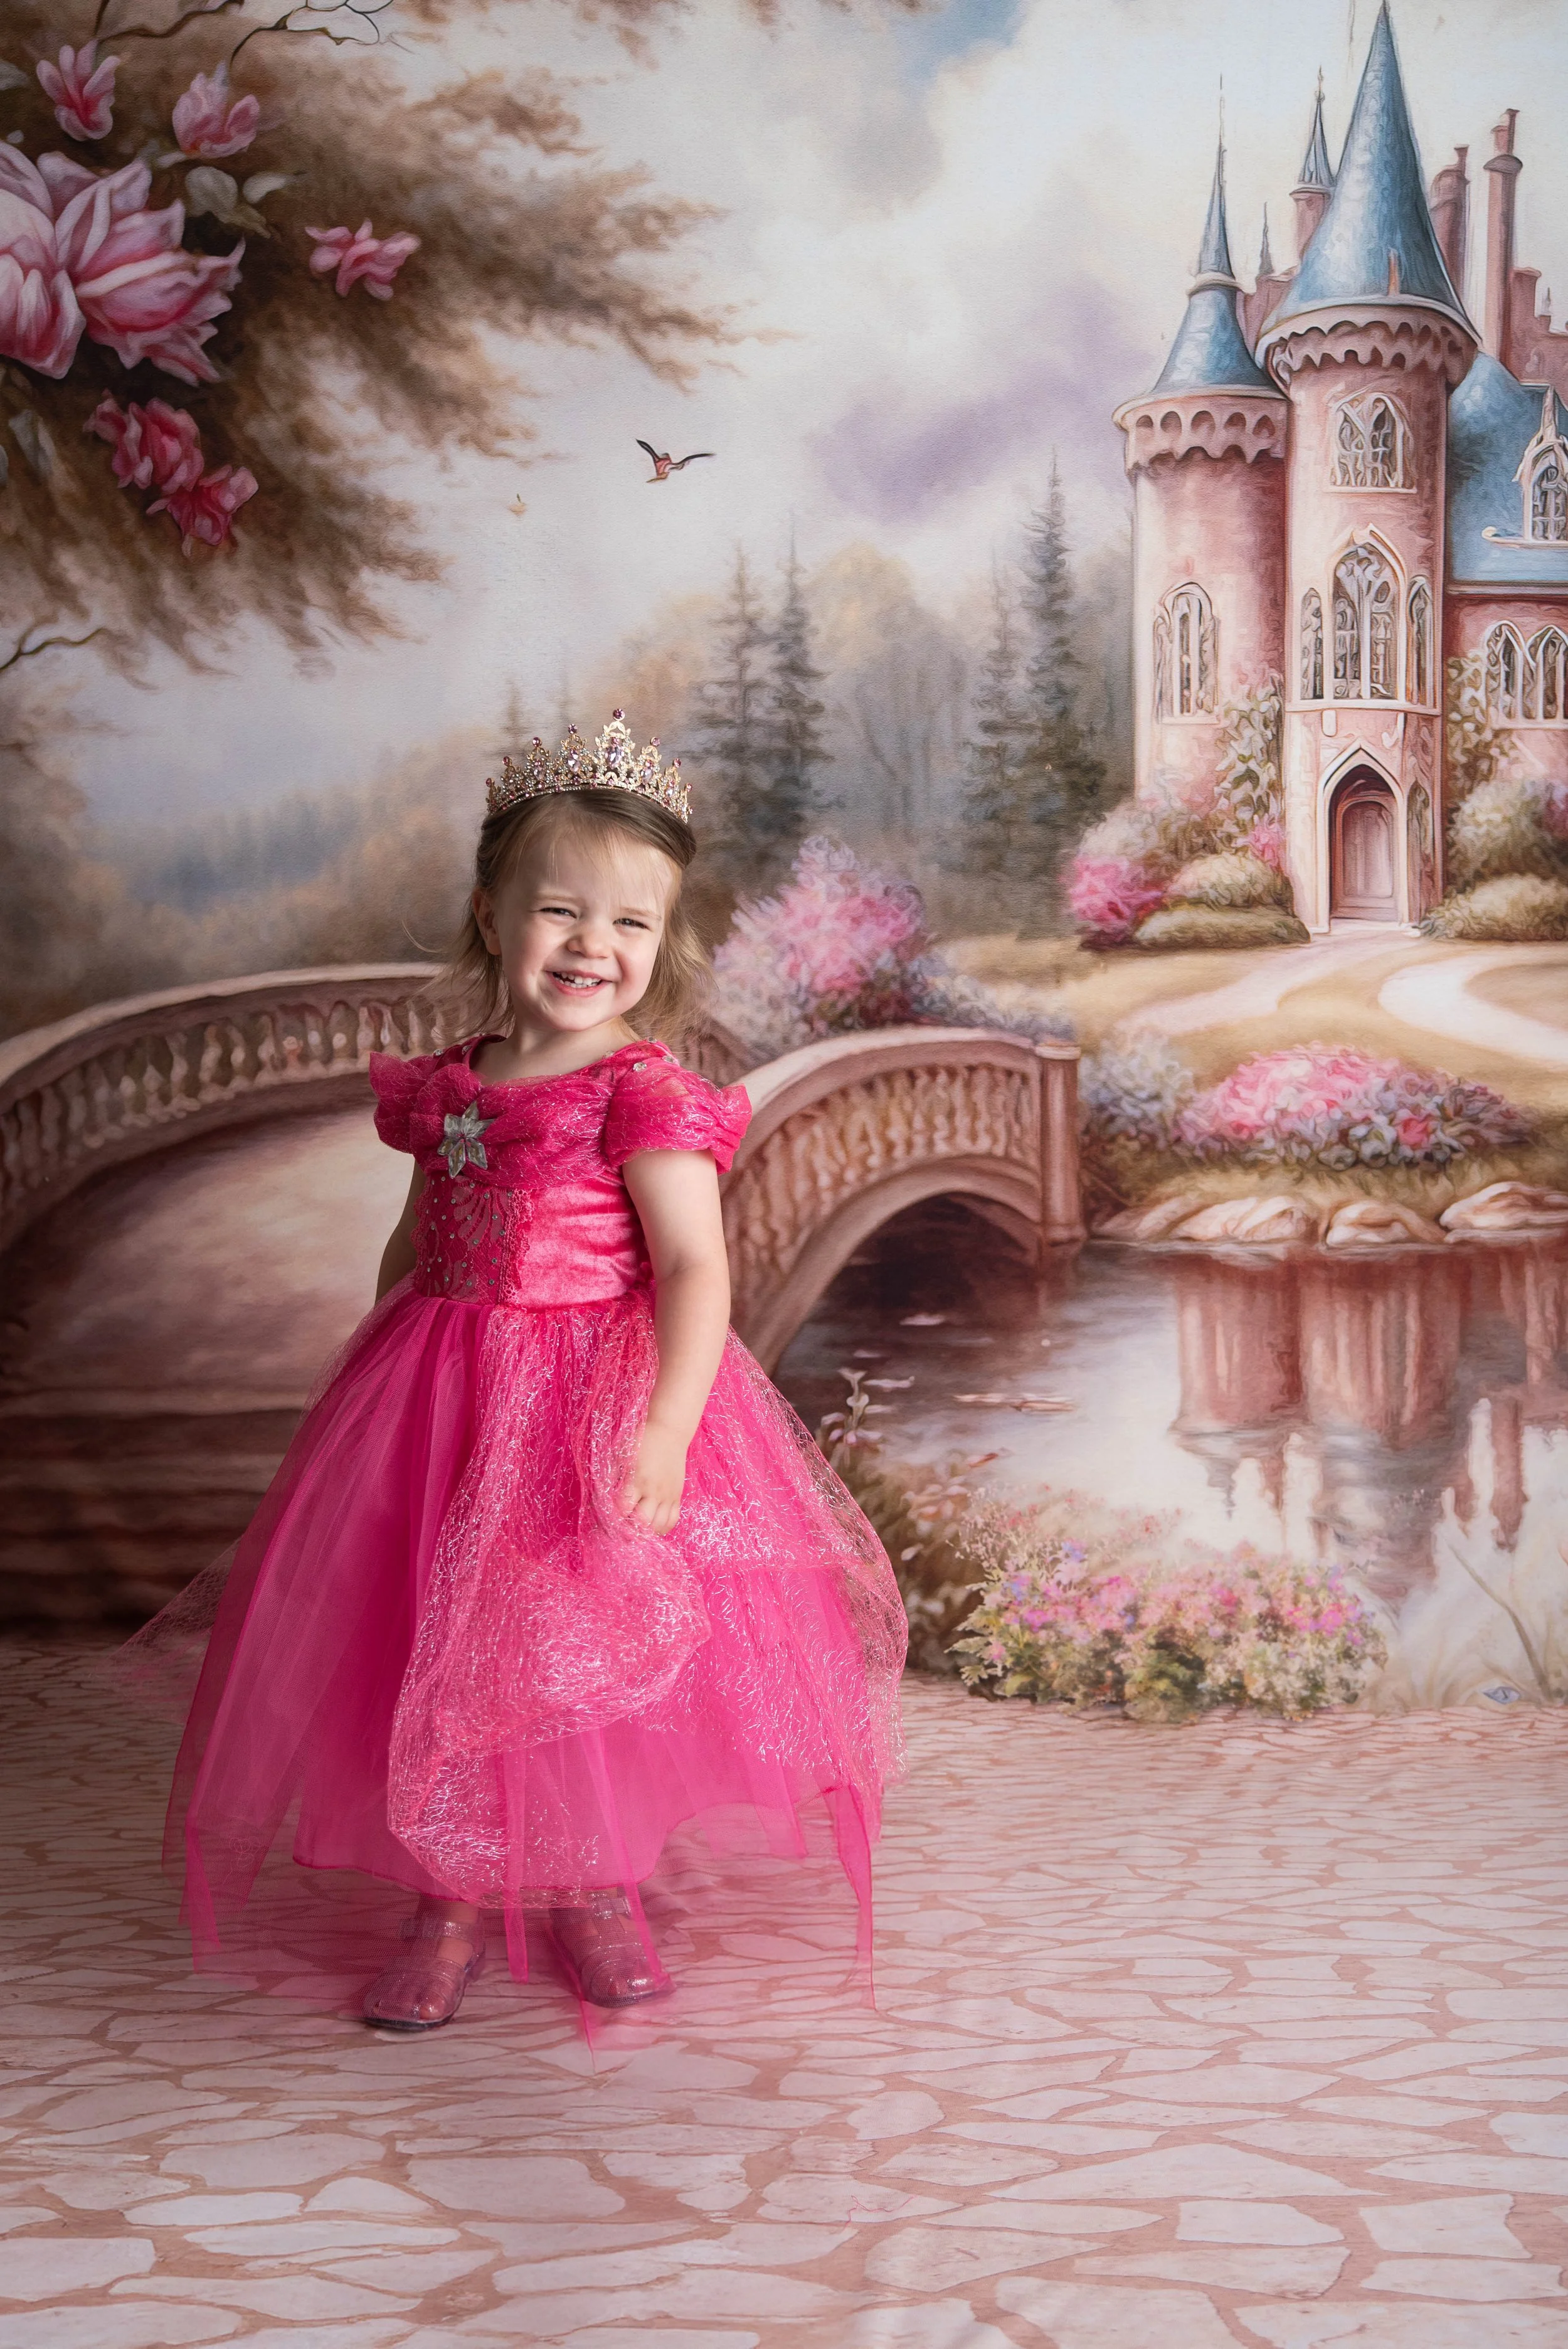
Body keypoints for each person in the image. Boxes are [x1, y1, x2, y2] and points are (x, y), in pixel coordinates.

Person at [158, 713, 907, 2030]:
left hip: (584, 1398)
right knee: (433, 1640)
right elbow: (414, 1234)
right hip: (441, 1389)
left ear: (663, 944)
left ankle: (592, 1883)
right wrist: (376, 1367)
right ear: (490, 915)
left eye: (629, 924)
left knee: (568, 1641)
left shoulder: (641, 1092)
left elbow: (690, 1271)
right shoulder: (452, 1088)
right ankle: (446, 1898)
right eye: (558, 911)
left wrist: (667, 1430)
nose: (590, 947)